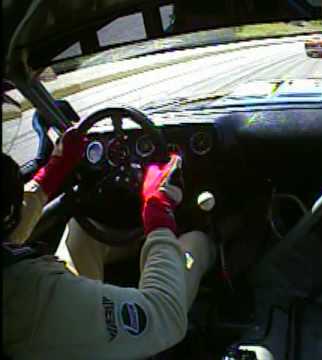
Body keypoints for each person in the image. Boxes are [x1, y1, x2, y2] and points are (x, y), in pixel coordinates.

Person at [2, 127, 216, 359]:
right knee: (194, 241)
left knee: (81, 229)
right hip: (42, 325)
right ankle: (214, 250)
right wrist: (159, 212)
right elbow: (163, 315)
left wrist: (53, 171)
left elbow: (9, 231)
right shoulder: (23, 294)